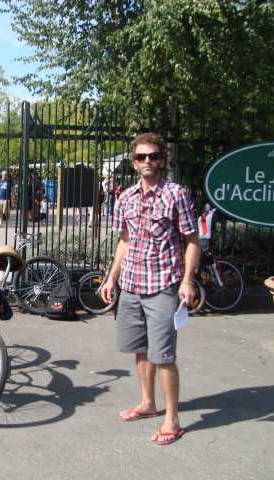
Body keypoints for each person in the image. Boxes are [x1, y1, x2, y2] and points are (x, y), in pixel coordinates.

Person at [101, 132, 200, 446]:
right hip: (131, 285)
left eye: (153, 156)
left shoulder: (175, 195)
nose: (148, 161)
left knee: (164, 355)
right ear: (133, 162)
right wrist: (111, 278)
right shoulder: (126, 197)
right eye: (141, 157)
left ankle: (172, 419)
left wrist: (187, 280)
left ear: (162, 159)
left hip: (163, 286)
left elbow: (192, 240)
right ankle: (147, 403)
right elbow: (125, 241)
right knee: (140, 349)